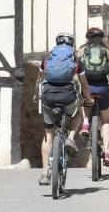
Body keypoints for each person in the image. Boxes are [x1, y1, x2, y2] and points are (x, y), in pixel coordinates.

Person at [35, 32, 88, 186]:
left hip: (49, 97)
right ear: (72, 44)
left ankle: (45, 174)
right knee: (78, 112)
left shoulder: (47, 59)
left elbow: (39, 80)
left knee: (48, 135)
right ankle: (70, 138)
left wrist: (34, 95)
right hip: (68, 96)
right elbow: (84, 84)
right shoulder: (75, 59)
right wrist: (89, 99)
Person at [77, 27, 109, 166]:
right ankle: (106, 152)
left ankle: (86, 123)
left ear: (88, 39)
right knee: (105, 120)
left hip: (87, 86)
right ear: (102, 38)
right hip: (102, 88)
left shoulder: (83, 51)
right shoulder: (106, 51)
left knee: (85, 101)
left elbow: (73, 64)